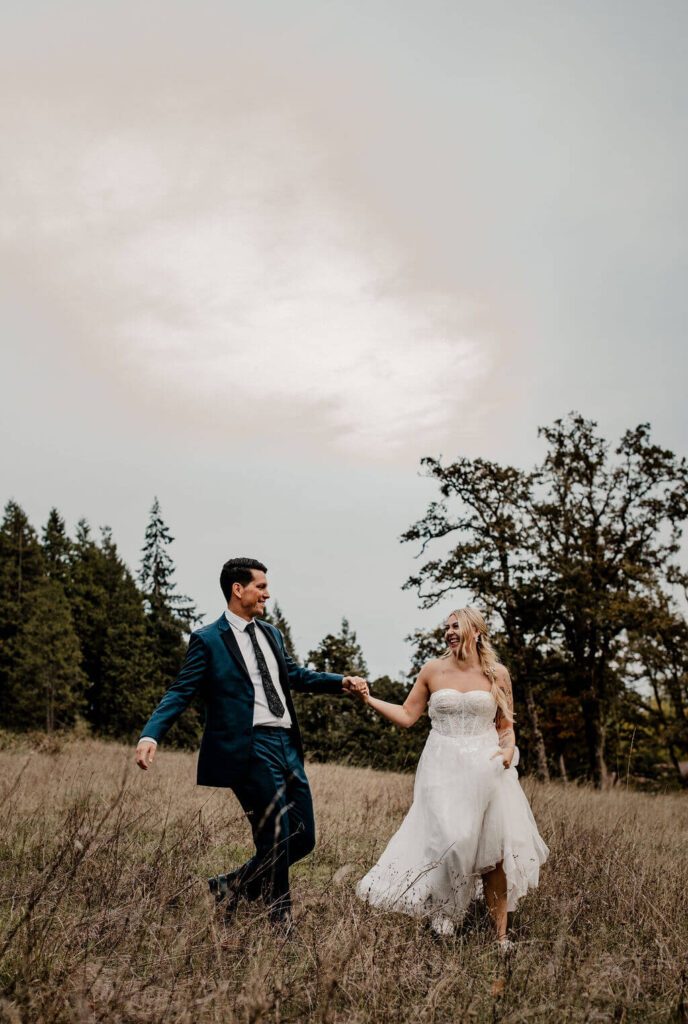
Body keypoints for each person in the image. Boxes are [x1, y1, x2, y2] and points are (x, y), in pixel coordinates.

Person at [135, 557, 367, 932]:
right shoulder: (208, 640)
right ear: (237, 589)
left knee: (302, 837)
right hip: (249, 746)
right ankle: (280, 921)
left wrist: (339, 681)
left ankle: (229, 886)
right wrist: (151, 733)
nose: (267, 593)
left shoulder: (272, 634)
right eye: (260, 586)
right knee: (274, 832)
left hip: (286, 743)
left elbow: (292, 674)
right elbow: (181, 690)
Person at [353, 607, 548, 948]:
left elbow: (506, 728)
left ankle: (501, 936)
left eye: (456, 626)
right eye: (446, 627)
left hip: (486, 767)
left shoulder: (497, 674)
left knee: (494, 852)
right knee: (453, 840)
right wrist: (369, 700)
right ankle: (444, 914)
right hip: (441, 766)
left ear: (476, 631)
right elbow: (407, 715)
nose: (449, 632)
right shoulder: (432, 670)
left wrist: (507, 750)